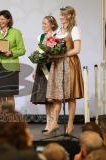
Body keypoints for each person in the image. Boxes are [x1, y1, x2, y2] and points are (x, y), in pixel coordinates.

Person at [46, 6, 84, 135]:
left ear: (69, 16)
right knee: (56, 96)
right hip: (57, 64)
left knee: (70, 95)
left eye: (63, 15)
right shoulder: (58, 31)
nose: (61, 17)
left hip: (69, 63)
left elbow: (77, 49)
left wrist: (62, 54)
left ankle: (70, 124)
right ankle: (53, 123)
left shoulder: (74, 29)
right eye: (60, 15)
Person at [0, 10, 26, 109]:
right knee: (0, 94)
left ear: (8, 19)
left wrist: (12, 53)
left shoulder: (16, 32)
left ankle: (11, 119)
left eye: (2, 19)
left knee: (10, 94)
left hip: (11, 67)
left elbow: (22, 50)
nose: (0, 21)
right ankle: (1, 118)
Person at [30, 16, 59, 134]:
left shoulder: (57, 36)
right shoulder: (40, 36)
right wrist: (34, 69)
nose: (43, 25)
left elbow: (56, 52)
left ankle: (54, 122)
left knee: (53, 97)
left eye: (45, 23)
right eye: (42, 23)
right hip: (42, 68)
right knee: (46, 98)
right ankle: (48, 123)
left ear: (52, 24)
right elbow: (39, 53)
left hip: (52, 67)